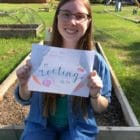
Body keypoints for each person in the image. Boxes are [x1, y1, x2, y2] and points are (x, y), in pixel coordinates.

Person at [15, 0, 111, 140]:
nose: (72, 22)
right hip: (39, 126)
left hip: (79, 128)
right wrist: (24, 85)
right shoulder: (41, 57)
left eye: (79, 16)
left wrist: (95, 95)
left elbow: (101, 107)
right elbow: (24, 99)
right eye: (66, 14)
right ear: (57, 17)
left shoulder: (96, 62)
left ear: (88, 21)